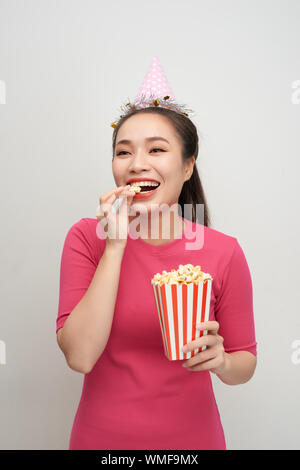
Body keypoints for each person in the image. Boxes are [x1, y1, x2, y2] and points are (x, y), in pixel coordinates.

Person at [56, 58, 257, 450]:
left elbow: (244, 363)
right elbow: (80, 356)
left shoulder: (223, 252)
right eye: (124, 152)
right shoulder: (86, 238)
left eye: (157, 149)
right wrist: (114, 245)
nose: (137, 164)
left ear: (187, 166)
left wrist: (222, 361)